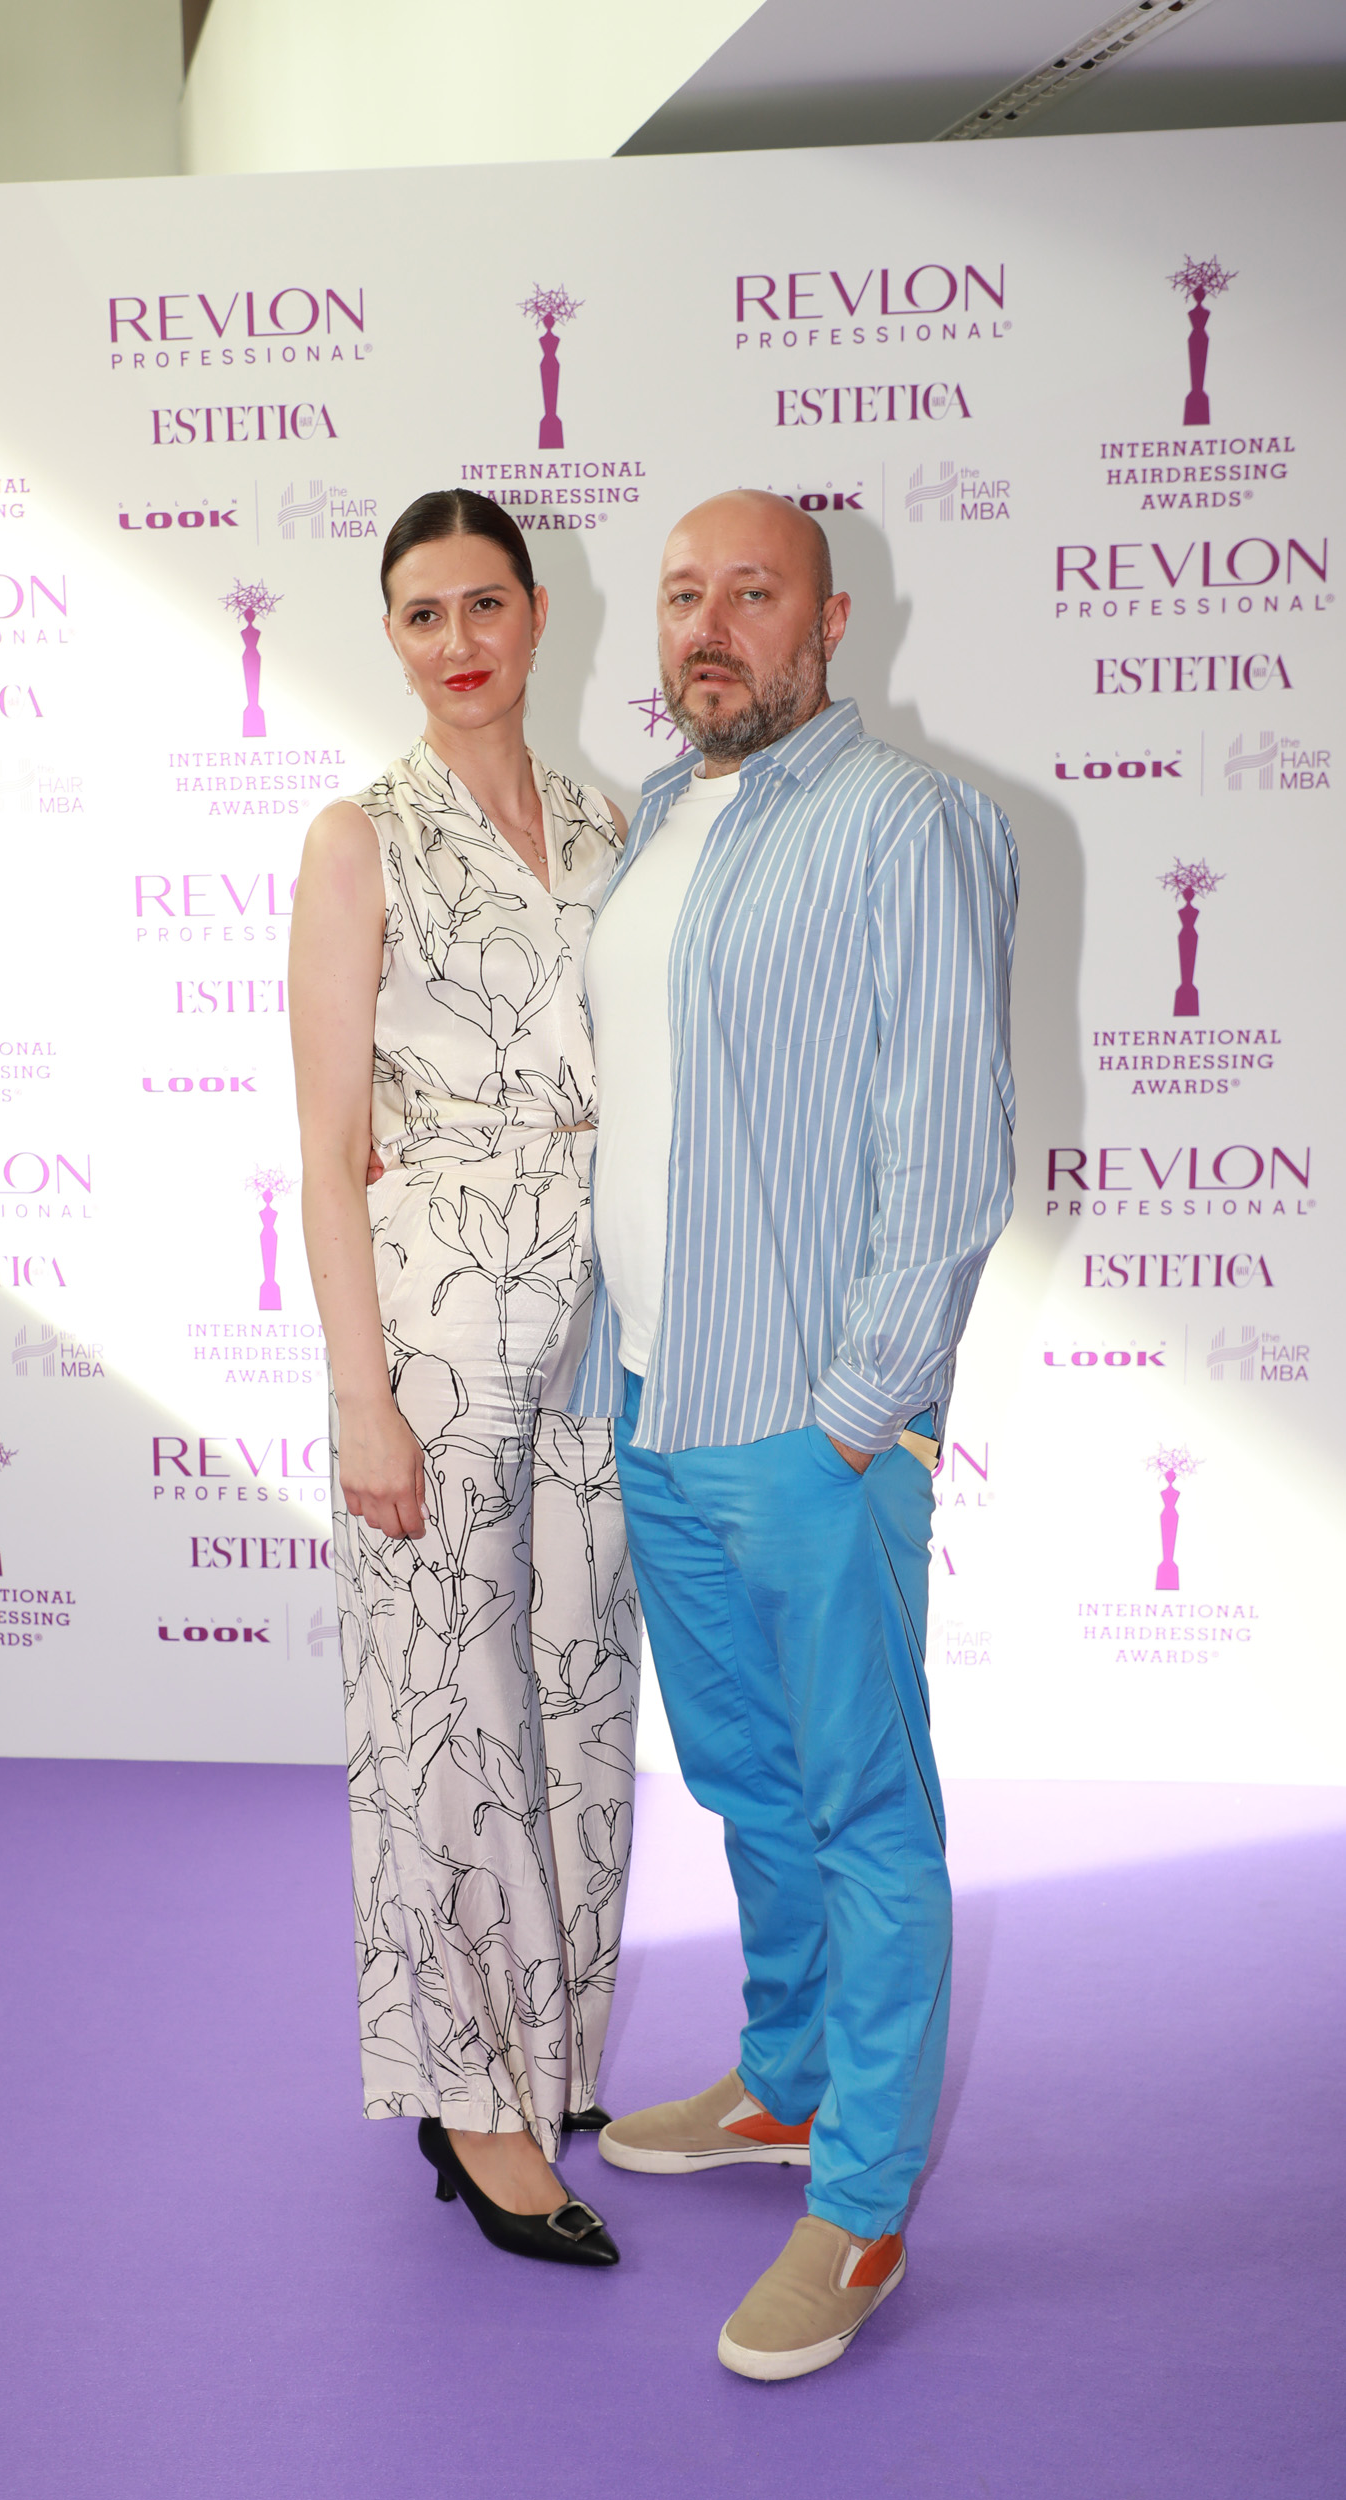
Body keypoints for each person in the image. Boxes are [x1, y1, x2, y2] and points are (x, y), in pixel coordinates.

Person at [579, 489, 1018, 2373]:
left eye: (752, 593)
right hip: (660, 1400)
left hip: (812, 1425)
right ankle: (784, 2080)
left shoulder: (909, 822)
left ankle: (862, 2207)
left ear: (830, 624)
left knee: (862, 1810)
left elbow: (953, 1143)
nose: (710, 624)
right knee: (749, 1783)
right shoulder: (660, 818)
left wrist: (863, 1410)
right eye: (685, 594)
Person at [289, 488, 640, 2269]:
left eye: (484, 603)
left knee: (577, 1696)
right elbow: (326, 1147)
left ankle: (547, 2054)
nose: (458, 641)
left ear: (536, 614)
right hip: (432, 1329)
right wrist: (364, 1398)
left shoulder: (609, 822)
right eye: (421, 614)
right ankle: (472, 2103)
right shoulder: (360, 839)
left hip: (600, 1327)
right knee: (448, 1718)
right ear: (393, 637)